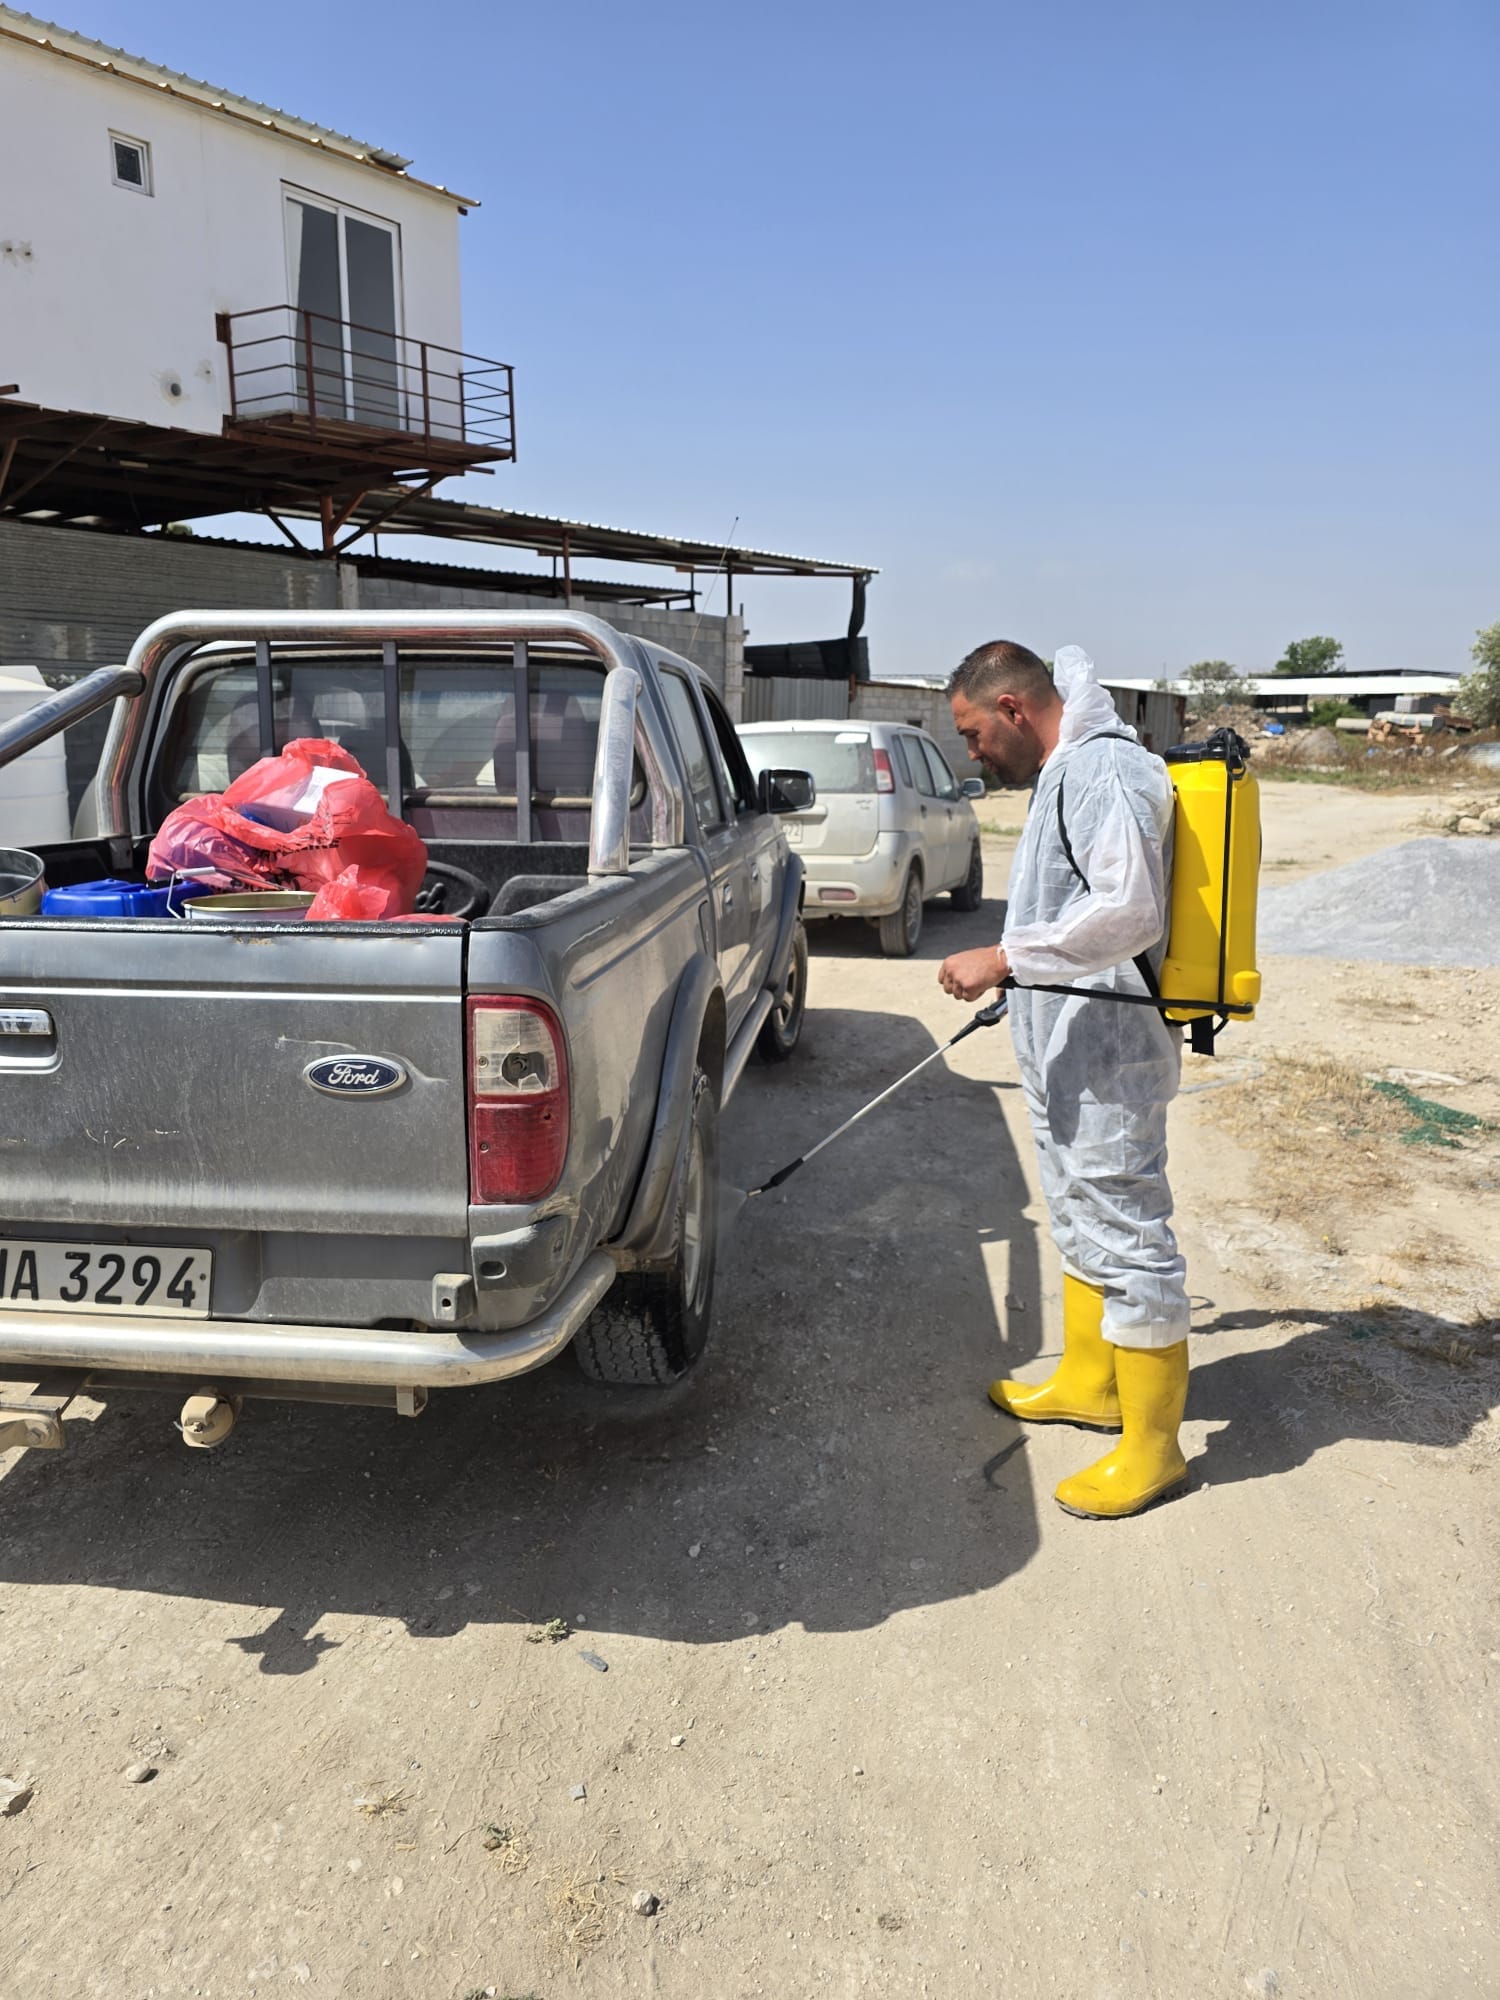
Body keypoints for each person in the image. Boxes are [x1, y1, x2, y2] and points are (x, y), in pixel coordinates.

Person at [937, 641, 1190, 1519]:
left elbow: (1130, 909)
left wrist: (1005, 957)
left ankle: (1155, 1447)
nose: (974, 753)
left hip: (1111, 1052)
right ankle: (1092, 1381)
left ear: (1012, 708)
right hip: (1071, 1044)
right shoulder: (1066, 768)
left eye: (973, 734)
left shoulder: (1101, 771)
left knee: (1127, 1229)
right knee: (1080, 1210)